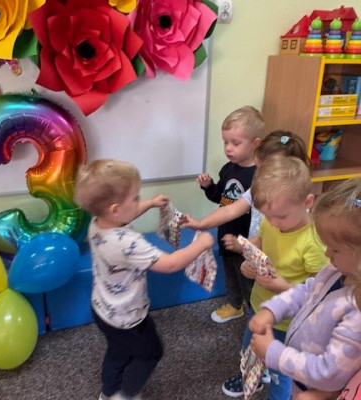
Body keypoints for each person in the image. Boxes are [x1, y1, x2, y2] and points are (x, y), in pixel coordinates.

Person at [74, 159, 214, 400]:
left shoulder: (97, 225)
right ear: (115, 209)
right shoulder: (128, 243)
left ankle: (108, 391)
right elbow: (170, 264)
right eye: (136, 198)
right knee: (151, 352)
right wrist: (201, 244)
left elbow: (124, 216)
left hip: (103, 310)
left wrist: (149, 204)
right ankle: (125, 395)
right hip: (129, 317)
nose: (138, 201)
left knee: (118, 351)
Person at [222, 155, 328, 400]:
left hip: (287, 323)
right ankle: (253, 379)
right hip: (259, 306)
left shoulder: (312, 242)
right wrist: (248, 260)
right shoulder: (272, 223)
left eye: (281, 216)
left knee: (281, 373)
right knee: (249, 350)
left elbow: (320, 293)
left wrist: (282, 286)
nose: (273, 222)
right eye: (268, 216)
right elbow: (261, 244)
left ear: (307, 202)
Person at [250, 177, 361, 400]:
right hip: (299, 374)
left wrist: (274, 353)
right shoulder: (336, 270)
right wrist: (272, 310)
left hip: (313, 387)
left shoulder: (356, 314)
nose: (327, 254)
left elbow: (327, 372)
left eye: (335, 249)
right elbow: (307, 290)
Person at [182, 130, 309, 250]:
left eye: (264, 172)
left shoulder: (296, 204)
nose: (258, 175)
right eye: (258, 169)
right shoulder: (259, 188)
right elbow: (230, 210)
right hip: (257, 253)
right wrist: (201, 223)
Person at [197, 105, 265, 324]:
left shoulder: (260, 176)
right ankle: (235, 305)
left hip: (246, 241)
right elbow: (221, 198)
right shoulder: (228, 168)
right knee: (231, 276)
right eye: (225, 142)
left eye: (235, 143)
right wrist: (209, 187)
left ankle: (256, 314)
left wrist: (249, 243)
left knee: (248, 279)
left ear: (255, 143)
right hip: (226, 234)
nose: (228, 148)